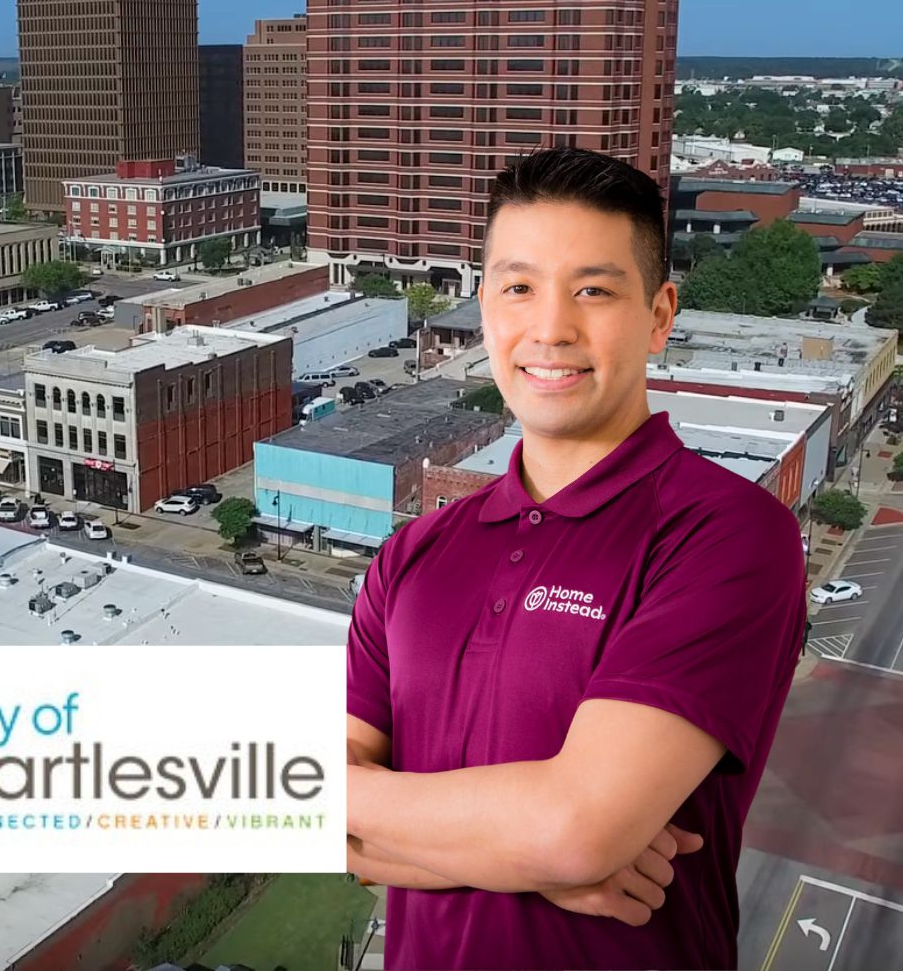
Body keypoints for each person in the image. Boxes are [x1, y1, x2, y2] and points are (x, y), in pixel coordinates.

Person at [345, 148, 806, 970]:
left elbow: (575, 828)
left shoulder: (728, 535)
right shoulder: (412, 556)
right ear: (484, 305)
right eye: (518, 287)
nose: (550, 327)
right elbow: (330, 828)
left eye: (593, 290)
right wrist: (537, 862)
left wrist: (554, 844)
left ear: (660, 314)